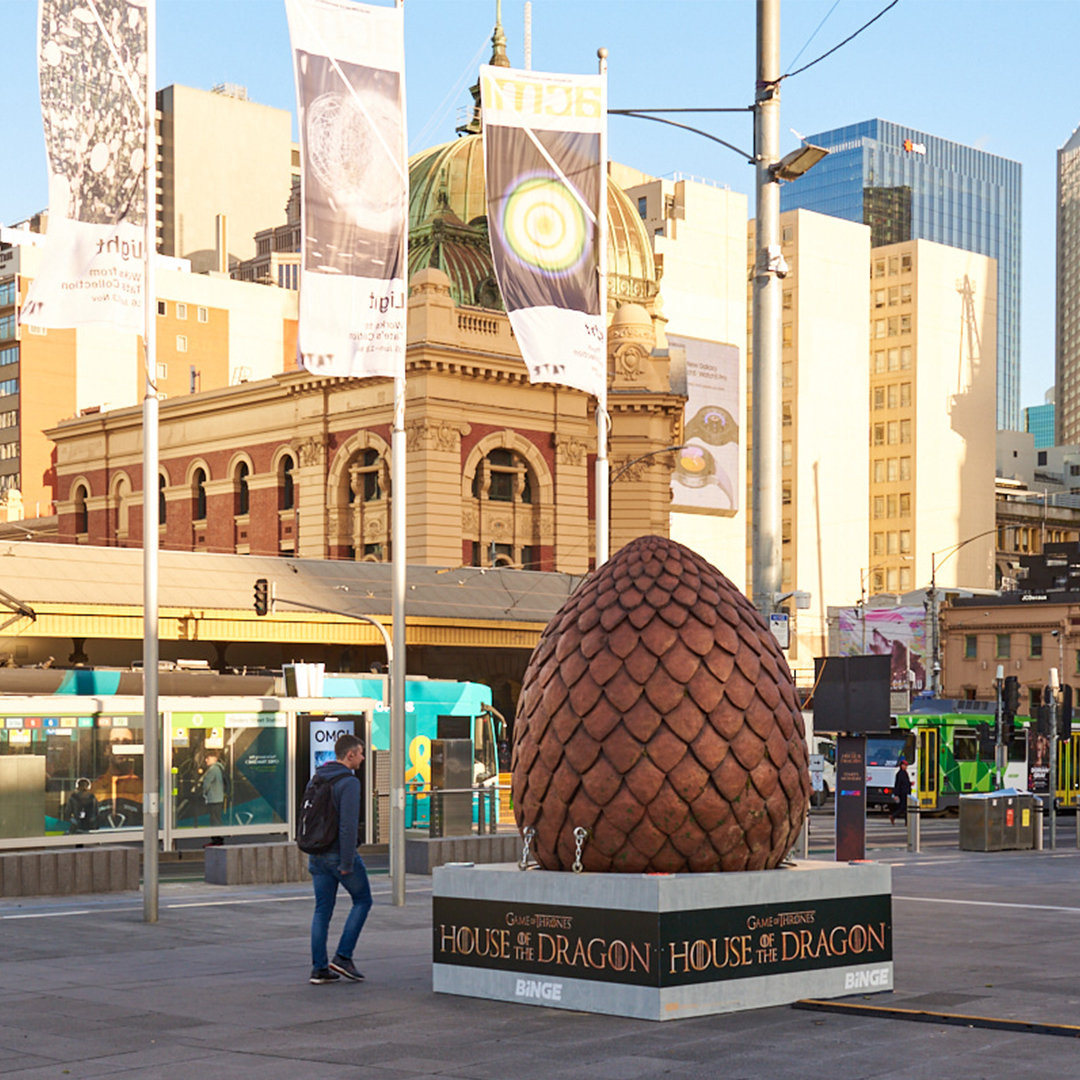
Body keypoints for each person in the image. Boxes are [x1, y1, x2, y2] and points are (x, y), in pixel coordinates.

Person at [307, 733, 372, 985]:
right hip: (338, 854)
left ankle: (319, 969)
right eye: (361, 753)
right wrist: (346, 862)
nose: (363, 758)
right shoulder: (349, 782)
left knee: (322, 910)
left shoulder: (317, 777)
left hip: (317, 853)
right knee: (363, 900)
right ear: (350, 755)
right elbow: (348, 825)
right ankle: (343, 956)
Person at [202, 751, 227, 841]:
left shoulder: (212, 770)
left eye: (208, 758)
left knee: (214, 820)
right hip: (219, 798)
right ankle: (219, 837)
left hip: (213, 798)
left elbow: (206, 784)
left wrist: (204, 793)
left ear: (214, 759)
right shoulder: (220, 769)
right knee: (217, 818)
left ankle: (216, 838)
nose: (206, 760)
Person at [891, 758, 912, 826]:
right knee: (903, 807)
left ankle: (905, 821)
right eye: (905, 765)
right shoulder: (900, 774)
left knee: (904, 808)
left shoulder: (904, 773)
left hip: (905, 793)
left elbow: (905, 783)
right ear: (901, 766)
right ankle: (894, 816)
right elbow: (898, 784)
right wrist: (896, 794)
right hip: (903, 793)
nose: (906, 767)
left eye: (906, 766)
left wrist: (910, 783)